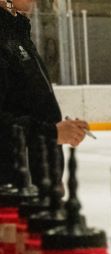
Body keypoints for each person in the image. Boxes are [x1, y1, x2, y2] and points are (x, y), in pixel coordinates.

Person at [1, 0, 90, 185]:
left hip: (36, 186)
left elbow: (26, 104)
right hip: (13, 192)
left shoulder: (17, 33)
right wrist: (51, 132)